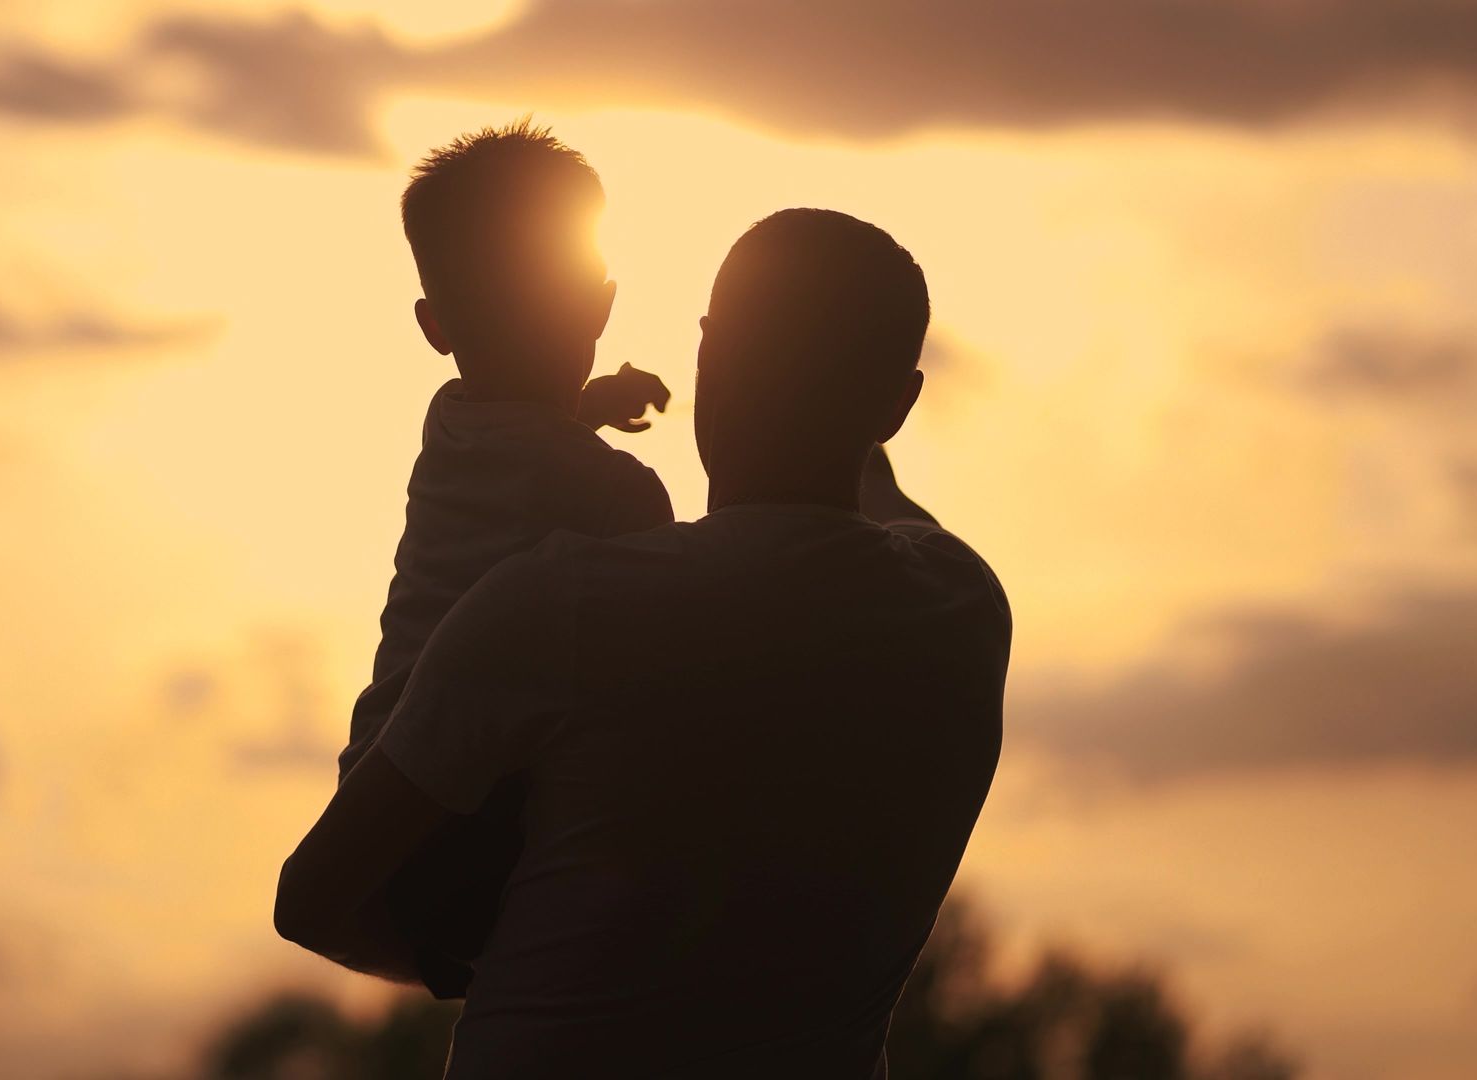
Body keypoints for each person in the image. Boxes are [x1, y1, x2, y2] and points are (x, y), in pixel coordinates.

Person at [280, 208, 1011, 1078]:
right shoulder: (963, 614)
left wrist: (495, 957)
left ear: (709, 355)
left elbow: (313, 901)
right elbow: (885, 508)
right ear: (898, 403)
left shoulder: (559, 604)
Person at [344, 119, 676, 996]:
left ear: (435, 327)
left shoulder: (448, 426)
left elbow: (524, 449)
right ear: (601, 305)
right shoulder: (623, 497)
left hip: (378, 780)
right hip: (472, 830)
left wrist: (587, 409)